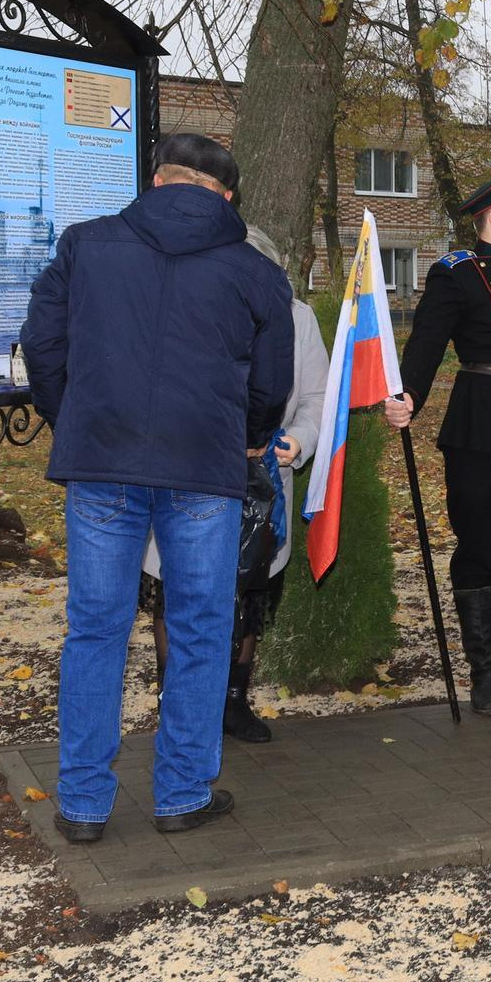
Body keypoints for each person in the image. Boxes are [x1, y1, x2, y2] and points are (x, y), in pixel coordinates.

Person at [21, 132, 293, 842]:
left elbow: (42, 344)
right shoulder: (254, 270)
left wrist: (72, 417)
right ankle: (180, 793)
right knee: (202, 626)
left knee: (96, 628)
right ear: (226, 197)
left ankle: (82, 805)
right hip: (205, 466)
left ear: (156, 179)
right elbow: (273, 380)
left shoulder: (84, 246)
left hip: (102, 459)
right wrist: (251, 431)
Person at [380, 166, 491, 716]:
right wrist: (409, 391)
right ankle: (484, 671)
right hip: (481, 425)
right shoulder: (455, 273)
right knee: (480, 545)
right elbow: (428, 340)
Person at [139, 224, 330, 743]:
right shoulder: (179, 311)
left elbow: (316, 395)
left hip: (264, 483)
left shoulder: (296, 318)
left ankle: (231, 702)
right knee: (177, 592)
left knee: (250, 593)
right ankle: (175, 705)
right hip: (185, 476)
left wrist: (299, 439)